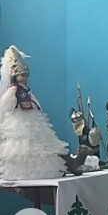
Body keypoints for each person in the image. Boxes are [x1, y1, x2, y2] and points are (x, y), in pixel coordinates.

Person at [0, 45, 68, 181]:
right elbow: (5, 104)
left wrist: (37, 108)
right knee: (21, 144)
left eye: (26, 76)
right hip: (19, 119)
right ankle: (22, 171)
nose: (24, 78)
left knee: (39, 142)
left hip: (31, 116)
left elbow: (34, 101)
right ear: (15, 76)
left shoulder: (27, 89)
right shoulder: (13, 90)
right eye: (22, 75)